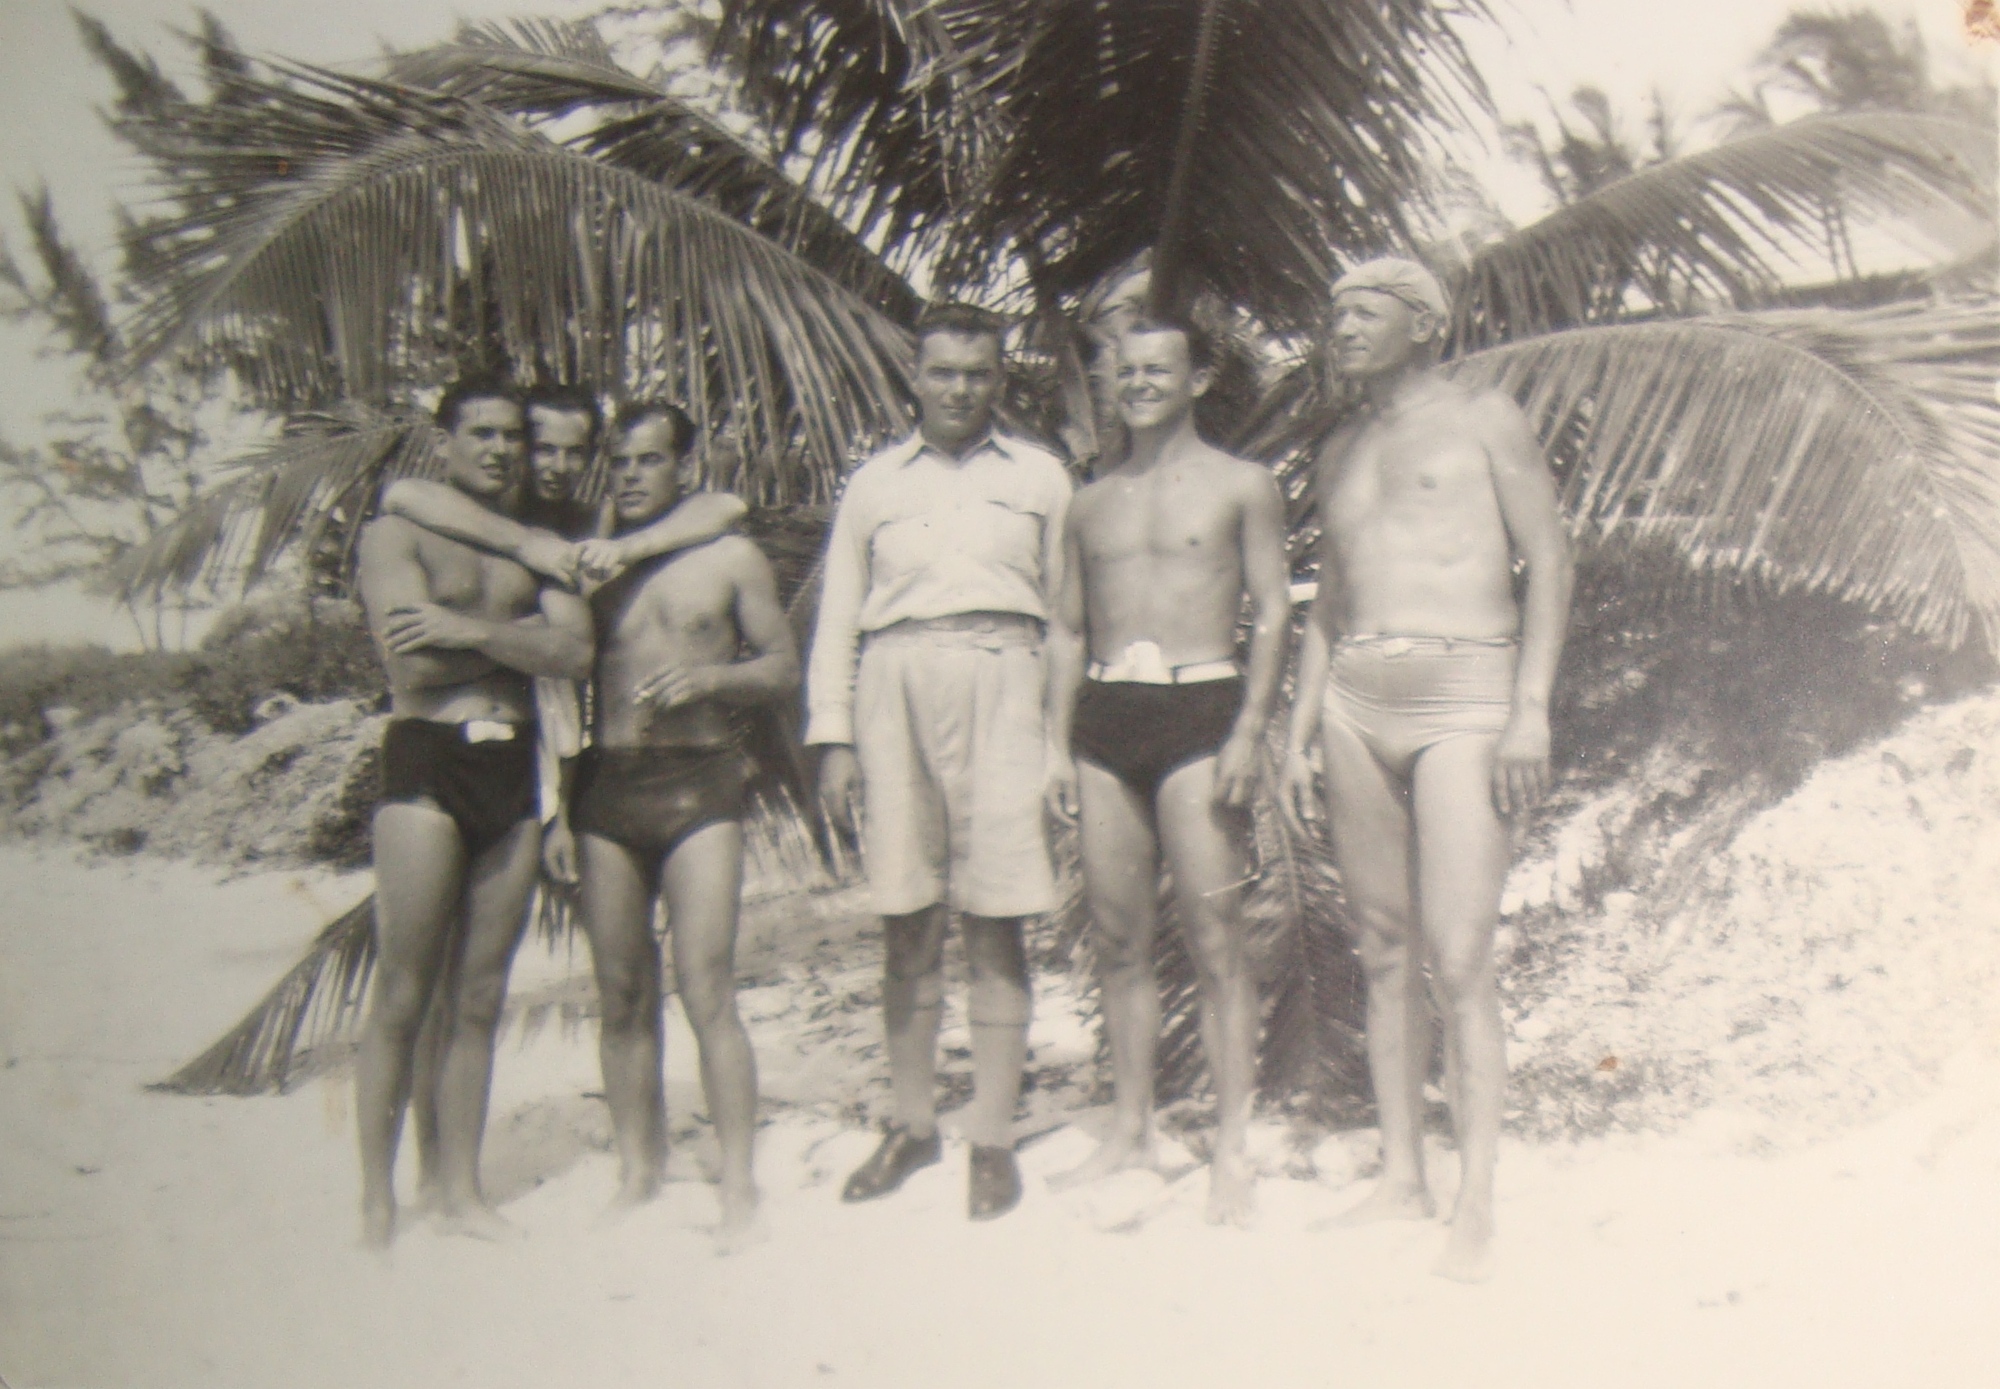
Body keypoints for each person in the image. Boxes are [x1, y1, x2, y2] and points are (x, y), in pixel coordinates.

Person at [1278, 258, 1574, 1282]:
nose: (1341, 326)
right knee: (1382, 950)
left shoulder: (1484, 417)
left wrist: (1530, 709)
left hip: (1466, 692)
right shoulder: (1339, 448)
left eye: (1364, 310)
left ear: (1423, 323)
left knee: (1459, 953)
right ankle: (1402, 1174)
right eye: (1333, 312)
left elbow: (1550, 560)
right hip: (1355, 698)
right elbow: (1327, 603)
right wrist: (1297, 731)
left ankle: (1475, 1197)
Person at [378, 383, 747, 1202]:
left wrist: (614, 547)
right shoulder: (470, 515)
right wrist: (533, 566)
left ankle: (455, 1180)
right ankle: (428, 1181)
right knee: (433, 985)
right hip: (482, 752)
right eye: (541, 445)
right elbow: (402, 495)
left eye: (576, 451)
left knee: (480, 988)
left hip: (557, 762)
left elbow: (725, 506)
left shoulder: (591, 524)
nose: (554, 463)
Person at [807, 303, 1073, 1221]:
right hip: (894, 684)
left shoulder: (1041, 476)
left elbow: (1067, 619)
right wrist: (833, 736)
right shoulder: (873, 484)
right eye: (944, 372)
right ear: (914, 377)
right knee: (907, 915)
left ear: (1000, 378)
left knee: (997, 918)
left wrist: (1059, 743)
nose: (960, 389)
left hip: (1006, 679)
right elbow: (838, 616)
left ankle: (992, 1135)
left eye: (978, 372)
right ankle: (913, 1123)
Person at [1042, 314, 1290, 1226]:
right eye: (1127, 371)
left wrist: (1250, 729)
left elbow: (1273, 610)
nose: (1139, 384)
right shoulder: (1089, 502)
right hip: (1106, 716)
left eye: (1157, 369)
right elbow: (1067, 628)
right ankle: (1131, 1128)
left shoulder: (1241, 484)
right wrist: (1053, 745)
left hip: (1201, 707)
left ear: (1196, 380)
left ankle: (1231, 1146)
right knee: (1117, 939)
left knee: (1216, 938)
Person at [548, 401, 797, 1251]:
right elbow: (557, 695)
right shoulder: (590, 564)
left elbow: (782, 667)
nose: (629, 475)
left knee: (706, 986)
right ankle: (639, 1169)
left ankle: (739, 1183)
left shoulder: (730, 557)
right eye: (618, 461)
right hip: (608, 783)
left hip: (699, 780)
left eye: (648, 460)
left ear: (683, 466)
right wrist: (557, 808)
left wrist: (709, 679)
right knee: (620, 992)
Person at [352, 378, 594, 1249]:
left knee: (481, 995)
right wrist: (515, 641)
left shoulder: (540, 544)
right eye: (480, 433)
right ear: (443, 441)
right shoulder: (395, 533)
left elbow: (575, 650)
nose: (499, 449)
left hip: (512, 772)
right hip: (429, 758)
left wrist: (465, 630)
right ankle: (378, 1202)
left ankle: (458, 1188)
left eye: (510, 436)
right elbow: (411, 668)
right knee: (403, 992)